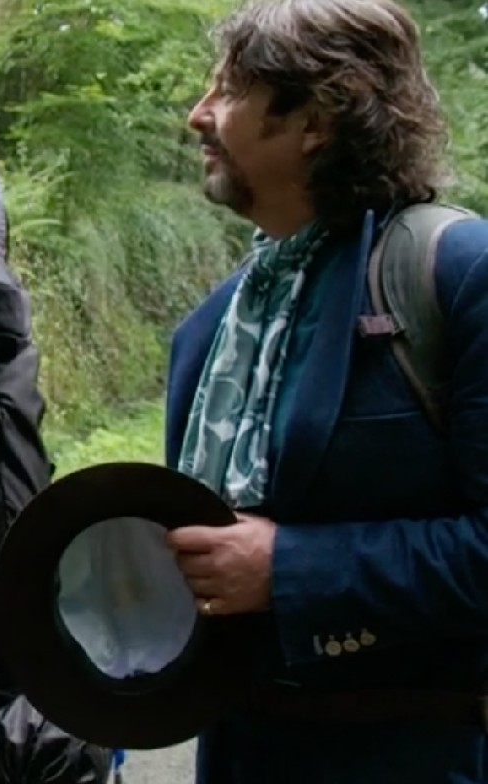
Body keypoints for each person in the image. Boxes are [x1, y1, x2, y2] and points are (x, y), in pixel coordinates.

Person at [164, 2, 488, 782]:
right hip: (237, 752)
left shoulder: (457, 274)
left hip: (417, 759)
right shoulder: (215, 323)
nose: (195, 116)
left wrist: (289, 568)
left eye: (229, 91)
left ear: (316, 118)